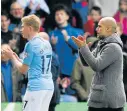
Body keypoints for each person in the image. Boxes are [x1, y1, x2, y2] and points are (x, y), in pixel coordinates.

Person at [72, 17, 126, 111]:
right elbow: (86, 63)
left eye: (99, 27)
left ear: (108, 29)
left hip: (108, 102)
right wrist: (82, 49)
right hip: (100, 99)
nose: (96, 29)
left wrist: (84, 49)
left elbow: (97, 66)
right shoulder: (102, 44)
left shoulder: (113, 47)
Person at [3, 14, 54, 111]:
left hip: (36, 88)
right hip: (48, 87)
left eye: (23, 26)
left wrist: (11, 58)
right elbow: (35, 64)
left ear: (29, 28)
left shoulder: (30, 45)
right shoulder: (46, 43)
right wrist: (16, 58)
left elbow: (23, 70)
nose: (21, 29)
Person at [49, 4, 84, 99]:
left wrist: (68, 39)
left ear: (67, 16)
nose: (59, 16)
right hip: (56, 75)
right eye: (57, 14)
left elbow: (81, 49)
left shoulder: (77, 32)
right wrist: (52, 45)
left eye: (61, 14)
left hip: (72, 74)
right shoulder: (51, 34)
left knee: (72, 101)